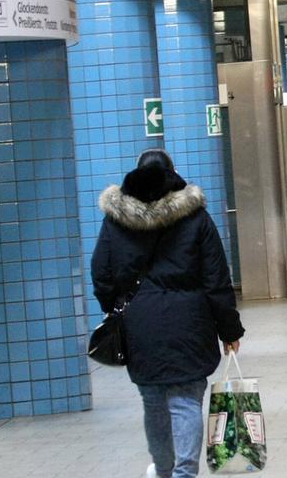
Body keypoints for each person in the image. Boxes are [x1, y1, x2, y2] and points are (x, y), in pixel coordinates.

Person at [91, 149, 243, 478]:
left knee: (153, 402)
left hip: (140, 325)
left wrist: (117, 310)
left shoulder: (115, 220)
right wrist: (230, 330)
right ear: (173, 176)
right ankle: (184, 472)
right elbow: (216, 279)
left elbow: (101, 273)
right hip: (190, 324)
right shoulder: (196, 217)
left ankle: (163, 470)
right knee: (186, 400)